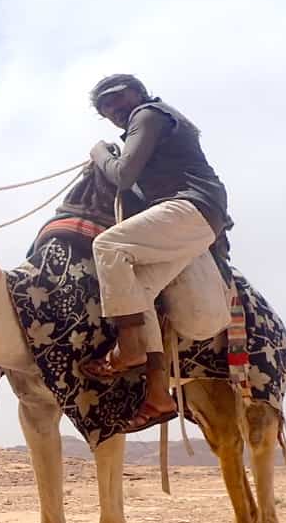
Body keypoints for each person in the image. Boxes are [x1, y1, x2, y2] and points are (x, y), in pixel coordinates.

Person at [82, 74, 233, 429]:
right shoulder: (153, 120)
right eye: (105, 107)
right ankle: (158, 394)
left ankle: (129, 347)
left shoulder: (148, 114)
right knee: (139, 292)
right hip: (197, 217)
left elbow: (121, 175)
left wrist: (100, 152)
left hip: (190, 207)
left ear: (137, 92)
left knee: (107, 245)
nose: (113, 109)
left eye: (117, 98)